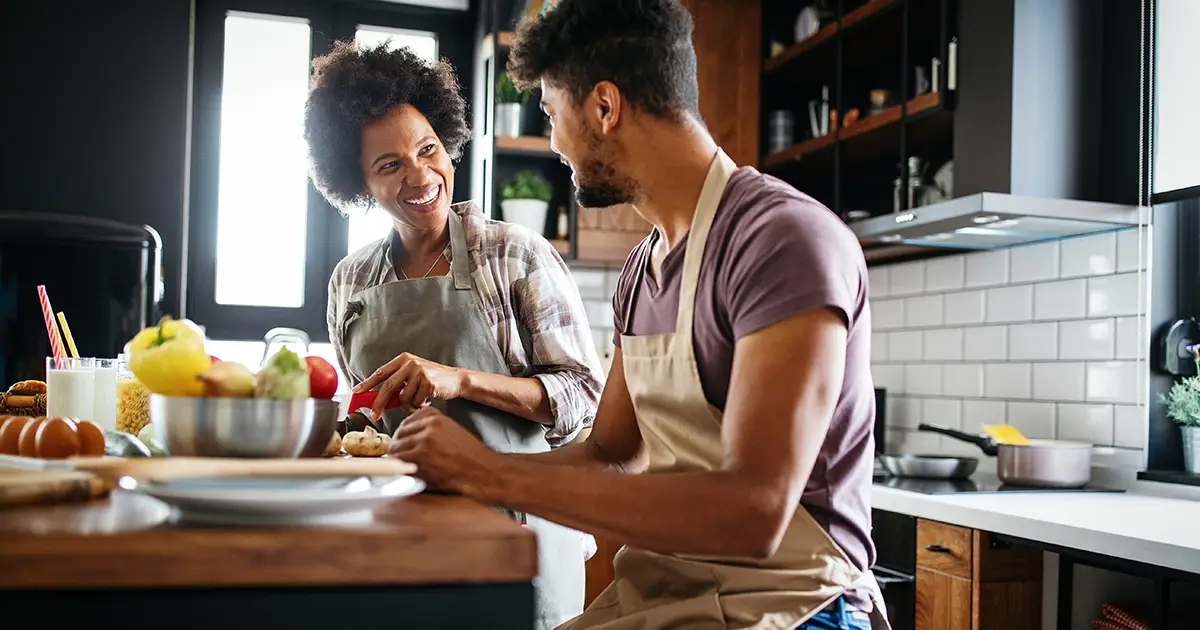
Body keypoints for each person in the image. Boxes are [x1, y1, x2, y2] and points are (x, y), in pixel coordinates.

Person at [386, 0, 892, 629]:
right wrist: (462, 474)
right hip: (671, 592)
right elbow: (610, 455)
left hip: (796, 604)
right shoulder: (643, 267)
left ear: (604, 107)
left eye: (551, 113)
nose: (555, 142)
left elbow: (753, 512)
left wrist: (488, 473)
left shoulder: (782, 240)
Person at [304, 41, 603, 630]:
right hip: (404, 541)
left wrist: (459, 380)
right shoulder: (352, 281)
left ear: (448, 143)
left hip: (522, 537)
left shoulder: (514, 253)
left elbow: (582, 397)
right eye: (389, 166)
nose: (420, 177)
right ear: (361, 183)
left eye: (427, 149)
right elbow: (367, 417)